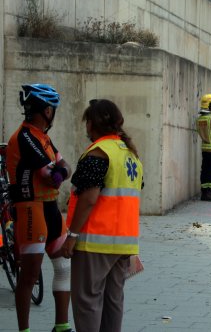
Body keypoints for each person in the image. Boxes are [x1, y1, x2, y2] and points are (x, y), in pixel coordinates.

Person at [62, 99, 143, 332]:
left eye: (87, 121)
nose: (86, 127)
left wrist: (72, 235)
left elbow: (89, 198)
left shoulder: (98, 153)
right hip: (124, 244)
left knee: (87, 302)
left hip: (95, 242)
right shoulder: (131, 155)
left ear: (92, 124)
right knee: (113, 301)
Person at [6, 84, 74, 332]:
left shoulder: (43, 137)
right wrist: (59, 171)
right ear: (47, 110)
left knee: (64, 266)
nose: (54, 112)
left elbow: (65, 166)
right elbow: (49, 174)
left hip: (50, 207)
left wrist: (61, 171)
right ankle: (24, 329)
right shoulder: (24, 137)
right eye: (53, 109)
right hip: (30, 208)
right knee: (30, 275)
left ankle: (62, 325)